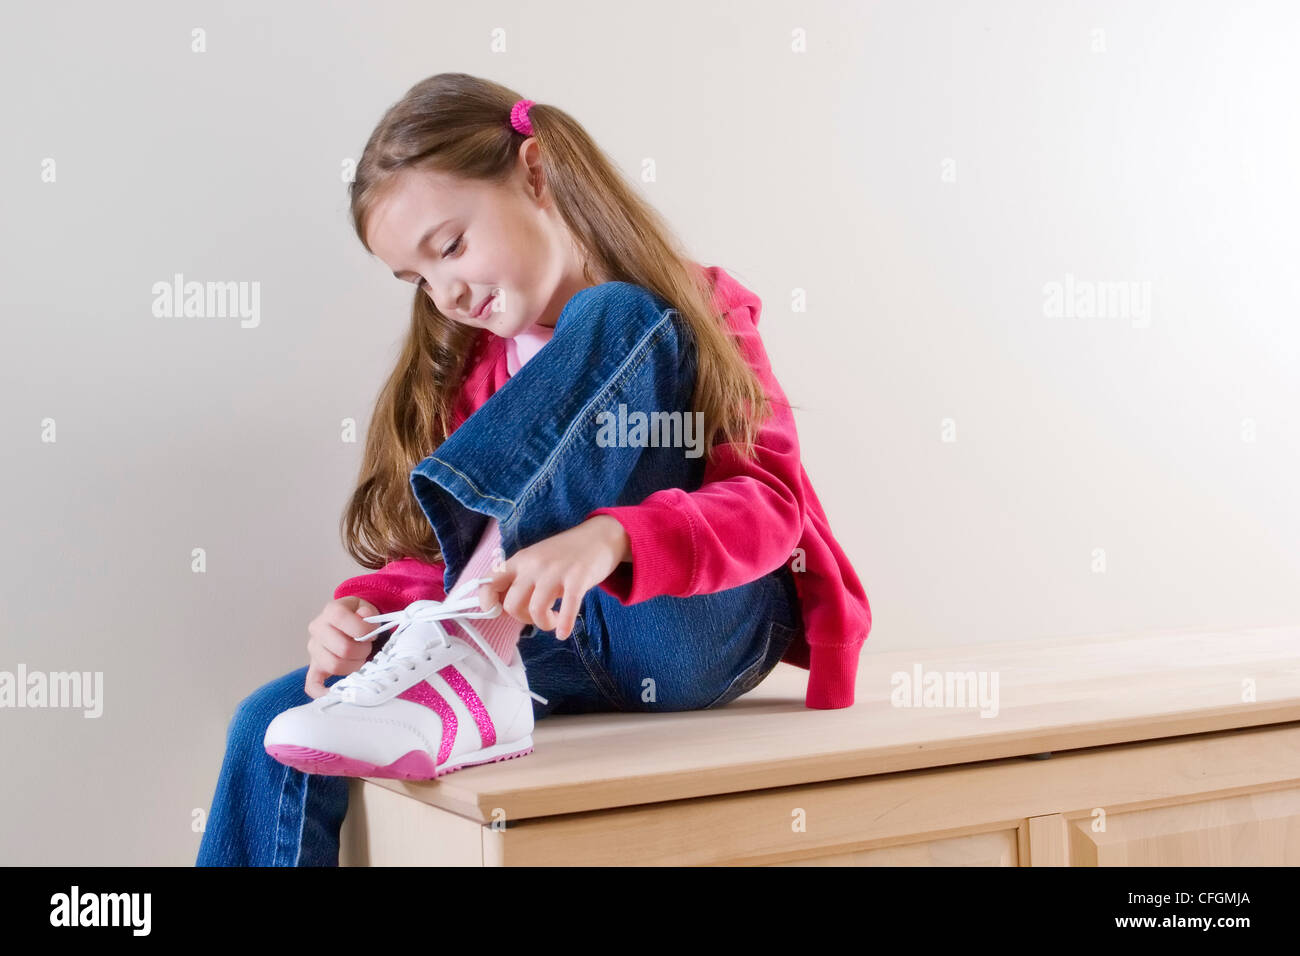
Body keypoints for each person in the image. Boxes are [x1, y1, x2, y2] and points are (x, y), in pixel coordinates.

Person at [196, 73, 871, 866]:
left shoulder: (693, 308)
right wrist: (363, 617)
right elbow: (453, 552)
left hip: (686, 628)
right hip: (543, 644)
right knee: (273, 724)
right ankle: (470, 648)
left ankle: (476, 638)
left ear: (537, 172)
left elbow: (769, 508)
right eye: (417, 279)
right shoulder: (469, 369)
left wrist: (610, 539)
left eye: (449, 247)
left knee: (619, 313)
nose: (444, 292)